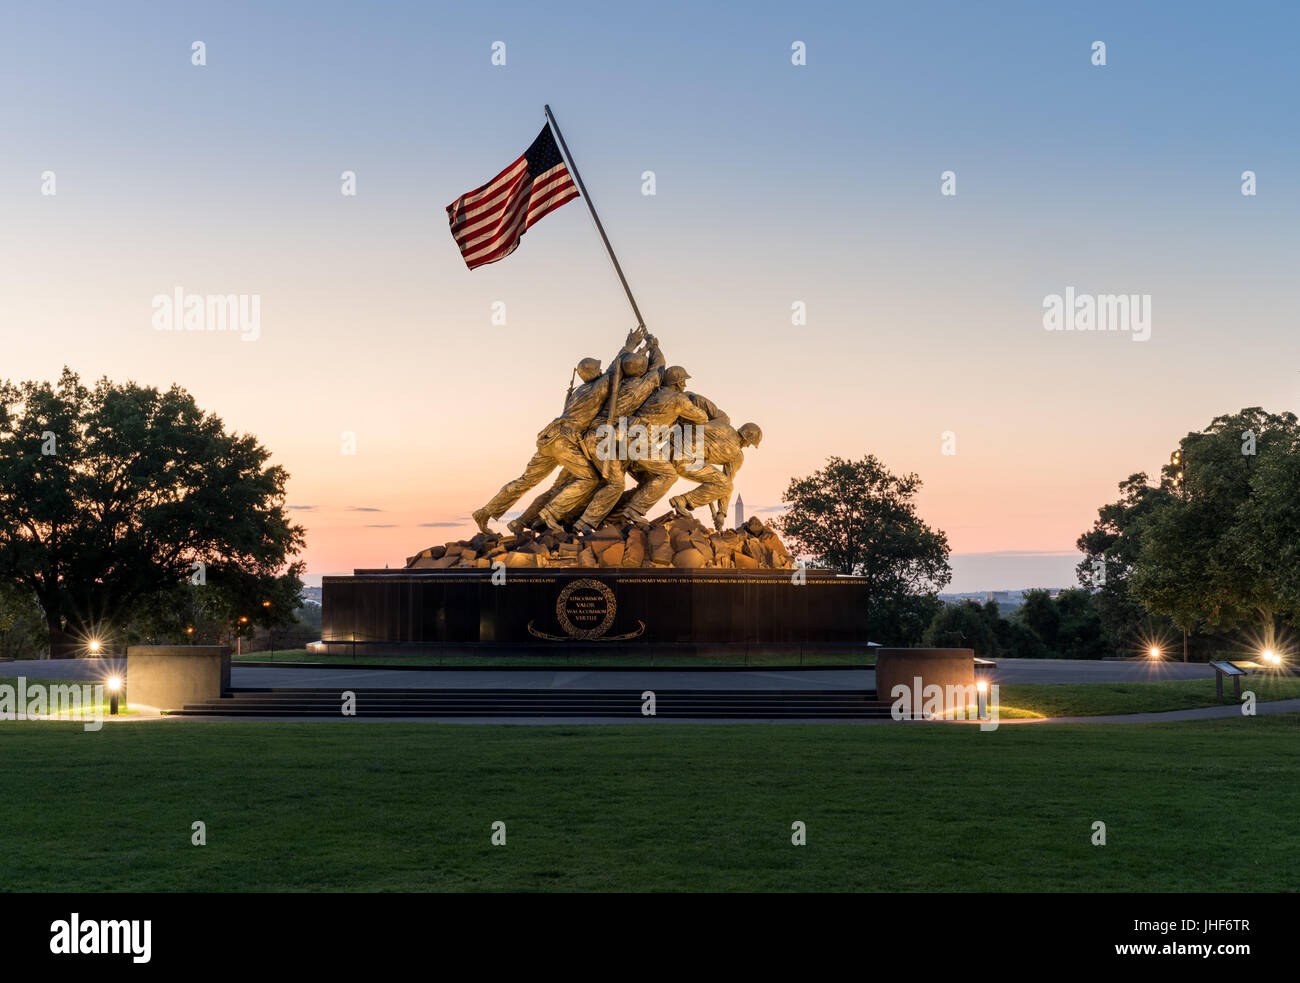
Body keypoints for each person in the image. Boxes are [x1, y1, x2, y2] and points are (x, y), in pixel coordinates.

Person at [471, 327, 646, 534]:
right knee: (589, 479)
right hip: (565, 440)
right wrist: (630, 346)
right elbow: (615, 368)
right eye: (598, 369)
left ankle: (486, 511)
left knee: (526, 480)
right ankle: (550, 513)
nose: (601, 371)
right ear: (595, 373)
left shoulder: (578, 392)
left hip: (549, 437)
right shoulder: (598, 387)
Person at [669, 422, 763, 531]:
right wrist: (722, 513)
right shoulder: (737, 456)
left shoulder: (723, 425)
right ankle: (682, 501)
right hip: (685, 460)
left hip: (673, 446)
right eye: (750, 444)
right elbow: (727, 483)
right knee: (726, 485)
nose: (747, 446)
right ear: (747, 440)